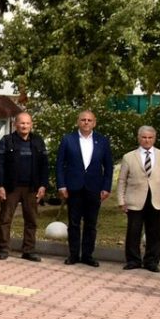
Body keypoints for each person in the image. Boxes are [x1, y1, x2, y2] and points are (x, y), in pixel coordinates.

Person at [56, 110, 114, 267]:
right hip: (73, 187)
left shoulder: (102, 141)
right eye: (83, 120)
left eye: (89, 120)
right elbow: (60, 164)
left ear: (94, 122)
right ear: (78, 122)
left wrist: (106, 187)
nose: (86, 122)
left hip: (94, 188)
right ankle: (74, 254)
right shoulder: (68, 139)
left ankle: (88, 255)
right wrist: (61, 184)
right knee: (74, 223)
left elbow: (108, 167)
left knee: (91, 224)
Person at [118, 126, 160, 272]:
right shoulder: (129, 157)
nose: (147, 140)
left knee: (154, 232)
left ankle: (151, 261)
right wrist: (121, 200)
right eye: (144, 137)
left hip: (157, 200)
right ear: (139, 138)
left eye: (150, 137)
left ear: (154, 138)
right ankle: (133, 260)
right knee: (133, 232)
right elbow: (121, 181)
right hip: (135, 200)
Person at [0, 112, 48, 262]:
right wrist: (0, 186)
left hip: (32, 187)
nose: (24, 126)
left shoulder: (38, 141)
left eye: (27, 123)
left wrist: (43, 185)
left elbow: (45, 165)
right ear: (15, 124)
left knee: (31, 220)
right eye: (22, 123)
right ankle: (4, 249)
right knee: (5, 219)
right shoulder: (7, 140)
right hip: (11, 186)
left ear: (31, 125)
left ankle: (28, 250)